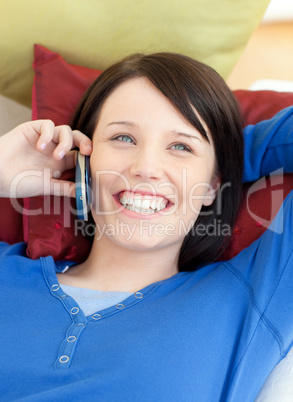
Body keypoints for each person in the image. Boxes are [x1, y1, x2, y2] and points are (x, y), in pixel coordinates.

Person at [0, 52, 293, 402]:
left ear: (214, 186)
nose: (147, 167)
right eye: (123, 138)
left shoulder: (251, 296)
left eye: (180, 146)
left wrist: (227, 157)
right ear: (83, 161)